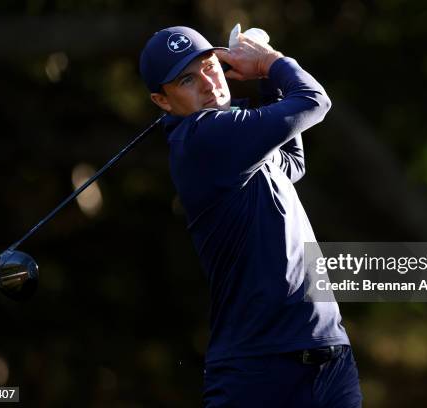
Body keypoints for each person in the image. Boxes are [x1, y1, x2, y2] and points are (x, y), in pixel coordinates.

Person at [139, 26, 362, 407]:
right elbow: (313, 101)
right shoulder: (203, 137)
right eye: (188, 79)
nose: (210, 84)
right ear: (162, 100)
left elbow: (291, 165)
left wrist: (266, 81)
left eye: (211, 66)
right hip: (260, 369)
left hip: (328, 356)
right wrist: (269, 62)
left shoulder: (231, 137)